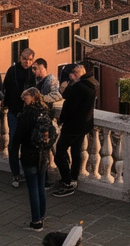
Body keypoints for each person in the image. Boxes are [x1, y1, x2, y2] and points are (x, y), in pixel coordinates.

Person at [53, 63, 97, 197]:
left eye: (72, 74)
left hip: (72, 126)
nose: (71, 76)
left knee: (59, 153)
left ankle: (67, 183)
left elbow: (66, 96)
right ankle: (73, 178)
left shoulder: (78, 87)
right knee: (76, 151)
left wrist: (70, 83)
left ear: (76, 74)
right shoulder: (92, 83)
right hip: (83, 125)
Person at [16, 87, 52, 230]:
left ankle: (36, 221)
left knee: (33, 188)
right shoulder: (46, 111)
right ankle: (41, 216)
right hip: (43, 154)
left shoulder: (28, 114)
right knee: (41, 186)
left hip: (29, 154)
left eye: (25, 98)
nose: (23, 100)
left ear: (33, 97)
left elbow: (19, 135)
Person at [2, 47, 37, 187]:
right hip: (14, 112)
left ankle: (27, 172)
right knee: (13, 144)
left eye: (29, 59)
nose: (26, 62)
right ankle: (16, 174)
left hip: (28, 115)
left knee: (28, 144)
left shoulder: (33, 73)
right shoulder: (12, 71)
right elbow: (5, 88)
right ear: (20, 58)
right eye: (24, 59)